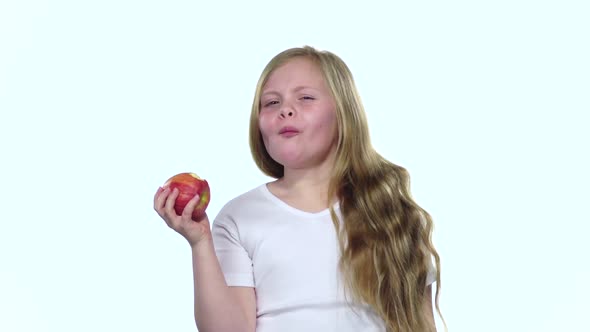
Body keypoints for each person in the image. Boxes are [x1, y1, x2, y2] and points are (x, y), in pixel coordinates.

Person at [154, 45, 446, 332]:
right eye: (271, 103)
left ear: (343, 113)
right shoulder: (239, 217)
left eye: (305, 98)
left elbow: (420, 324)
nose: (286, 110)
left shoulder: (390, 211)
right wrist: (200, 244)